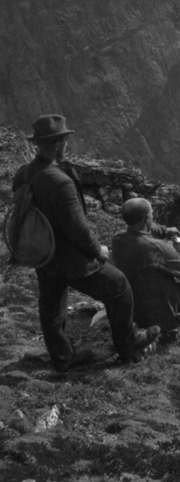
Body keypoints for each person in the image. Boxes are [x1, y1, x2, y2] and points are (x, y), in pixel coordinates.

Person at [12, 114, 160, 372]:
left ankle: (62, 357)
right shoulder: (61, 182)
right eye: (64, 140)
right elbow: (77, 229)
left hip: (43, 254)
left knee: (51, 303)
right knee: (119, 287)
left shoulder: (24, 174)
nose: (66, 144)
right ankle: (128, 344)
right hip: (71, 258)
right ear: (58, 144)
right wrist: (98, 251)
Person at [112, 197, 180, 355]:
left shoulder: (118, 239)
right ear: (147, 218)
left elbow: (141, 230)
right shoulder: (159, 249)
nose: (153, 215)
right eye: (151, 214)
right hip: (162, 315)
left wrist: (165, 230)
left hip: (132, 310)